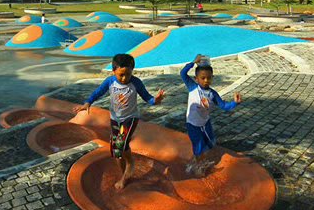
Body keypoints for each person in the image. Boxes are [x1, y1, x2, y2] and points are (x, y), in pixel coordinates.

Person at [74, 53, 166, 190]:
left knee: (121, 144)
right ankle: (124, 172)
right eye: (120, 75)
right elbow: (98, 92)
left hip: (130, 118)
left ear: (132, 71)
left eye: (127, 74)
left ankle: (129, 165)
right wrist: (88, 102)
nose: (124, 78)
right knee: (116, 152)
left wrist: (155, 101)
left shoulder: (136, 83)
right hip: (115, 119)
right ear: (113, 71)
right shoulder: (110, 81)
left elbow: (148, 98)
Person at [180, 55, 241, 175]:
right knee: (198, 145)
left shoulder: (212, 94)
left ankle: (199, 159)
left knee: (210, 143)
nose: (206, 81)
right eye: (202, 78)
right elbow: (182, 73)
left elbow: (223, 105)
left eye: (209, 78)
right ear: (196, 78)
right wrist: (193, 62)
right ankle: (199, 166)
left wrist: (235, 103)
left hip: (205, 122)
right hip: (192, 123)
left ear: (212, 78)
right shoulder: (192, 87)